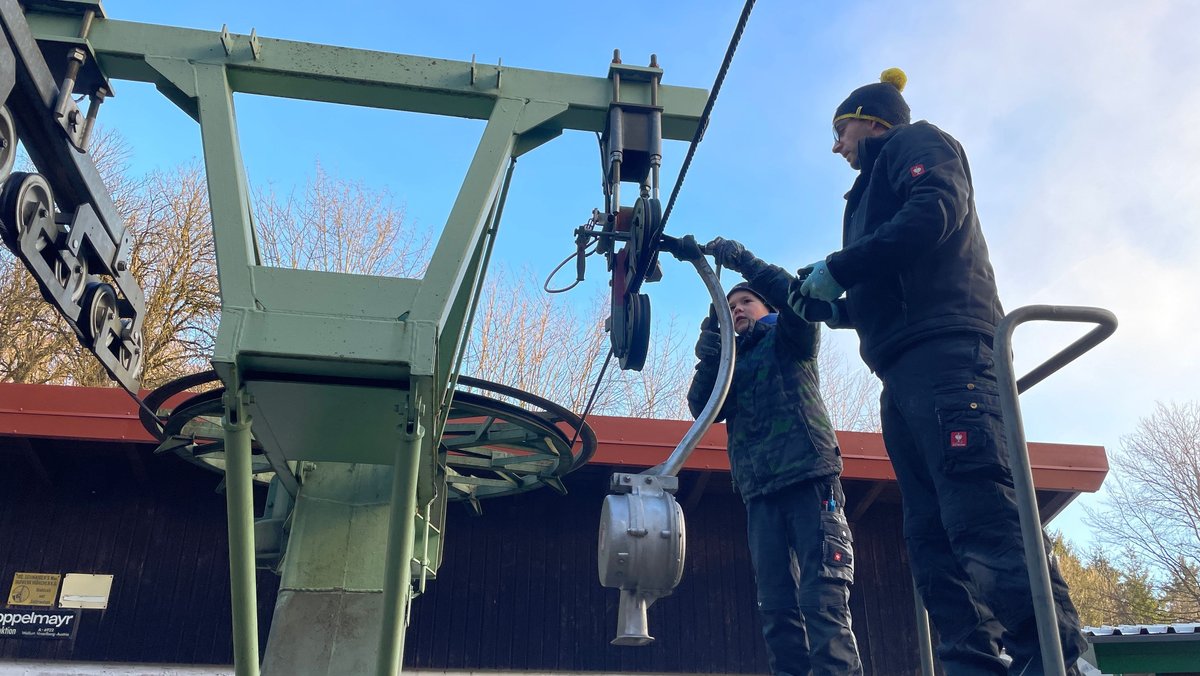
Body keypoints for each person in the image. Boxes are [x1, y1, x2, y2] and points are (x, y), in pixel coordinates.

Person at [789, 68, 1087, 675]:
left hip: (950, 359)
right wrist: (833, 304)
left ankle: (1056, 658)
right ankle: (971, 662)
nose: (836, 145)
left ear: (872, 120)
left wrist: (841, 266)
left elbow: (934, 214)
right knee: (929, 538)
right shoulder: (871, 191)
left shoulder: (915, 144)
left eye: (840, 129)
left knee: (979, 509)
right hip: (902, 371)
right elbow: (887, 282)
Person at [688, 239, 862, 676]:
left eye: (745, 300)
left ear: (766, 308)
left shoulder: (790, 339)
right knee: (777, 613)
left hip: (809, 482)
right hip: (760, 497)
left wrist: (743, 262)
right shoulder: (729, 367)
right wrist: (714, 337)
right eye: (728, 308)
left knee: (823, 603)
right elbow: (700, 406)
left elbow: (795, 297)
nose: (737, 309)